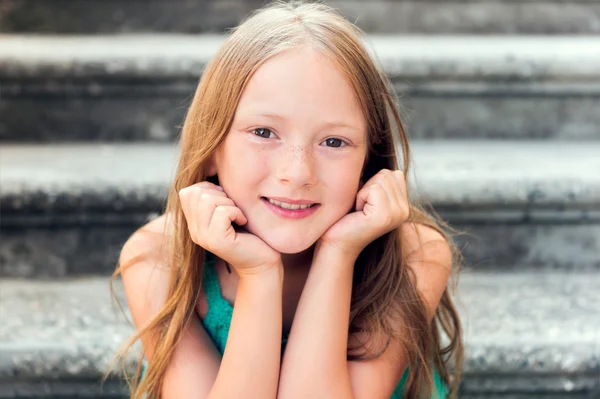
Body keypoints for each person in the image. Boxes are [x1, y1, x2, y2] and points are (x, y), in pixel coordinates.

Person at [106, 1, 464, 398]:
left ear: (368, 161)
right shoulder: (157, 258)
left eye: (333, 141)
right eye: (263, 132)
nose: (297, 174)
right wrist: (259, 274)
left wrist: (338, 253)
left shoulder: (416, 254)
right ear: (210, 148)